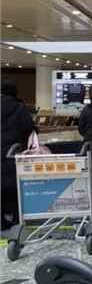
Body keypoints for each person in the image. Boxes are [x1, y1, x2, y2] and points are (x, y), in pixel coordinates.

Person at [1, 82, 35, 232]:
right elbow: (29, 129)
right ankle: (17, 219)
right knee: (15, 187)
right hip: (13, 153)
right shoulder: (19, 108)